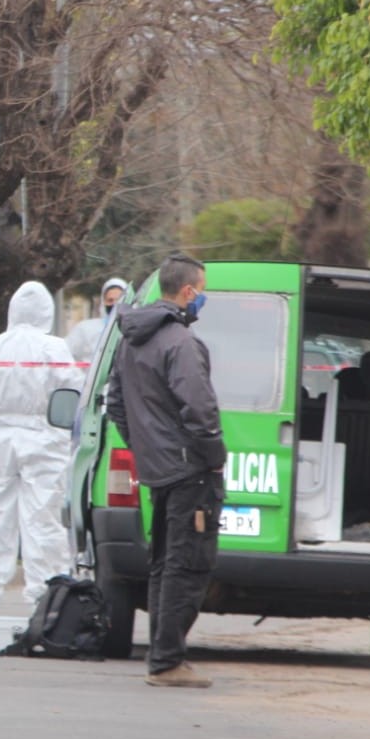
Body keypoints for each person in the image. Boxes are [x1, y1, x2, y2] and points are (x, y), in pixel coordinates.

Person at [107, 254, 226, 688]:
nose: (204, 298)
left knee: (164, 563)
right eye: (203, 290)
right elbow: (199, 409)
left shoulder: (130, 339)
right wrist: (214, 454)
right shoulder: (181, 342)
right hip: (190, 469)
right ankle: (168, 661)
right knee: (189, 563)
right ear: (189, 292)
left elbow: (116, 403)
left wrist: (144, 445)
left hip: (158, 468)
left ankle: (162, 656)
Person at [0, 282, 83, 615]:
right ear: (47, 312)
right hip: (42, 434)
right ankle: (43, 596)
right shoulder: (54, 347)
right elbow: (71, 390)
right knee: (42, 518)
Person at [65, 276, 129, 364]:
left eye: (118, 300)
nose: (114, 304)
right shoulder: (85, 329)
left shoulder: (134, 330)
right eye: (110, 300)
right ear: (103, 302)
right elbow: (66, 354)